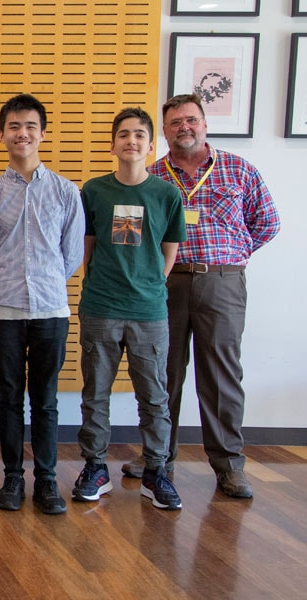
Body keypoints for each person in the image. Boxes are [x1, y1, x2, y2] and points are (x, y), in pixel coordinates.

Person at [126, 93, 280, 498]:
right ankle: (158, 457)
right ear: (165, 131)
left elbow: (267, 222)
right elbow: (133, 236)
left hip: (222, 283)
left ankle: (229, 464)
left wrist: (232, 257)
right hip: (166, 284)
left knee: (221, 375)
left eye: (191, 120)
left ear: (205, 124)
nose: (184, 128)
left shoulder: (239, 170)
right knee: (162, 374)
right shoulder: (152, 176)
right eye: (175, 122)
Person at [0, 94, 84, 515]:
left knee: (46, 398)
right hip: (4, 309)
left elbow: (71, 256)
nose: (22, 133)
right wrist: (10, 284)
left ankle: (48, 480)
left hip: (51, 309)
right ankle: (12, 478)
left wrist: (45, 281)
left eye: (30, 126)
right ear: (2, 135)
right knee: (8, 396)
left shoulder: (66, 192)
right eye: (14, 126)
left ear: (43, 134)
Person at [73, 107, 186, 511]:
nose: (131, 141)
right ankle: (95, 468)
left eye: (139, 135)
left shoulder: (167, 195)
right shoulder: (94, 191)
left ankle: (157, 472)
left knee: (154, 398)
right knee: (95, 394)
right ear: (112, 144)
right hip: (101, 307)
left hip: (149, 312)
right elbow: (87, 248)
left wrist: (146, 287)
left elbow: (168, 253)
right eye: (123, 134)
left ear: (151, 146)